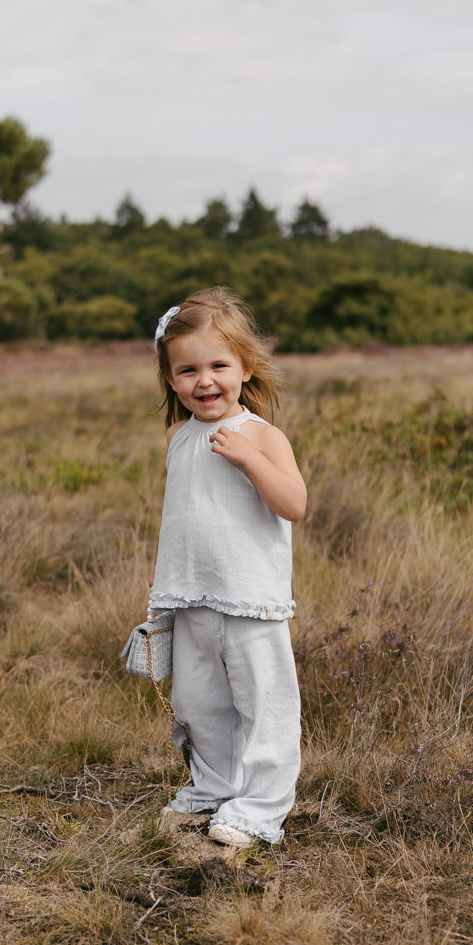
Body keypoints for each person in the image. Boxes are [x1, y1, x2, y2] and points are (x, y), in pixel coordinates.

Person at [148, 287, 306, 847]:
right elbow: (184, 515)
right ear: (171, 378)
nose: (204, 380)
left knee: (264, 701)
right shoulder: (178, 437)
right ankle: (215, 786)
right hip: (192, 593)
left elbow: (294, 504)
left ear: (245, 367)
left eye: (219, 365)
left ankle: (261, 807)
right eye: (187, 369)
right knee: (199, 701)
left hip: (249, 596)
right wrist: (163, 577)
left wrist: (250, 459)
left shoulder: (262, 435)